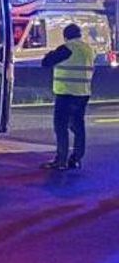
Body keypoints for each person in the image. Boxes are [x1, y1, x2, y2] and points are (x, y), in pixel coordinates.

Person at [42, 22, 95, 170]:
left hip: (66, 93)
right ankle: (76, 159)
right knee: (78, 127)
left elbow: (46, 62)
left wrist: (51, 53)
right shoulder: (88, 49)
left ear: (65, 36)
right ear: (79, 35)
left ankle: (61, 160)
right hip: (83, 93)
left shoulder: (67, 48)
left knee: (61, 127)